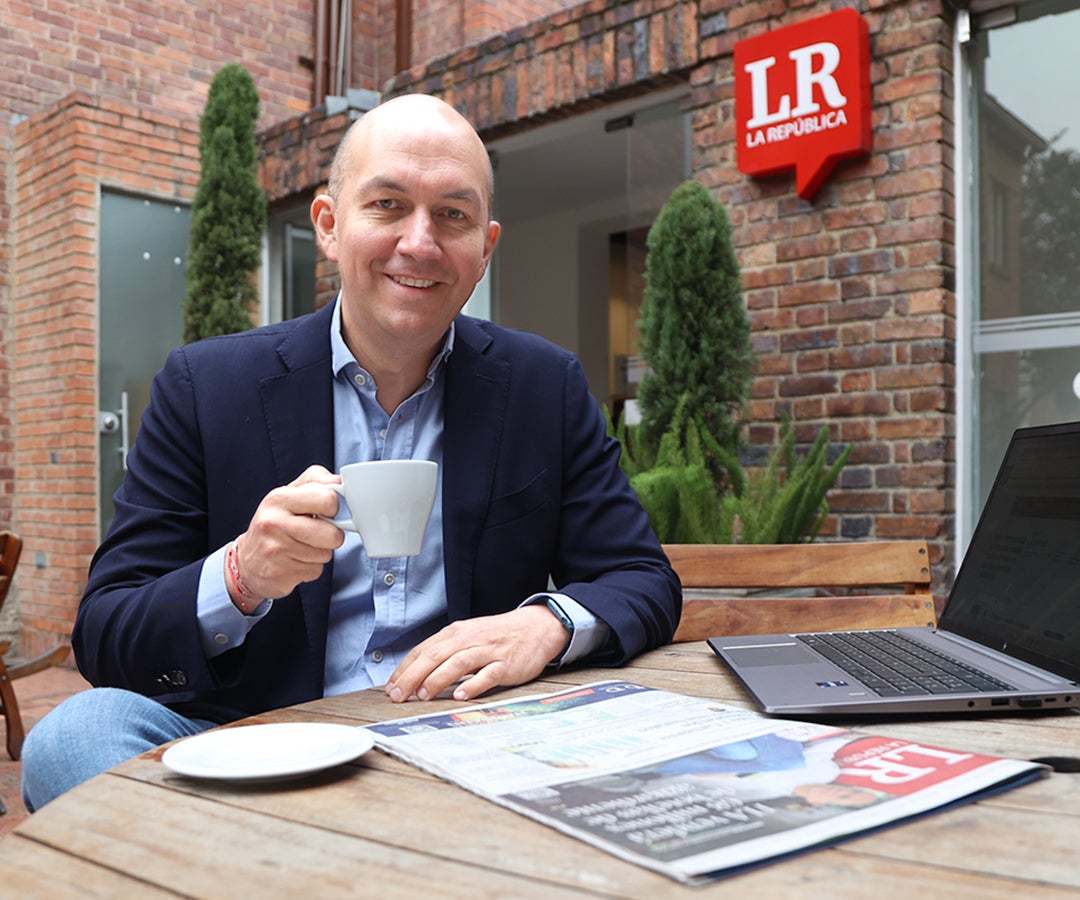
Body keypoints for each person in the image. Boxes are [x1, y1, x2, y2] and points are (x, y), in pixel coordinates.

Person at [21, 93, 681, 810]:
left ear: (485, 250)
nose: (420, 243)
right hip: (259, 735)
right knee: (73, 737)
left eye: (452, 216)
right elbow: (106, 630)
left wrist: (542, 624)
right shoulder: (206, 386)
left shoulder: (541, 386)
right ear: (330, 227)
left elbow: (640, 578)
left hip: (471, 734)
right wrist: (240, 577)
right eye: (389, 205)